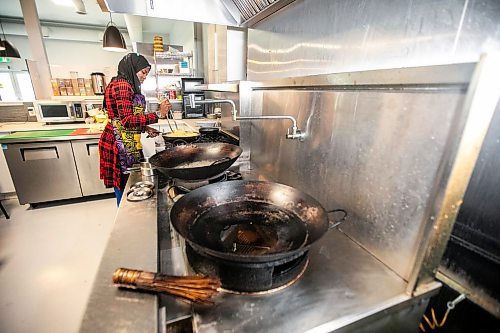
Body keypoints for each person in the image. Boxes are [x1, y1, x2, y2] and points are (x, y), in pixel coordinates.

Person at [99, 53, 171, 206]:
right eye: (143, 72)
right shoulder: (123, 85)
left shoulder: (123, 83)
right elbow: (126, 121)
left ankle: (124, 211)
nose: (145, 76)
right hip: (118, 145)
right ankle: (123, 217)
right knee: (124, 186)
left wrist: (144, 127)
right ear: (133, 68)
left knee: (127, 184)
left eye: (147, 73)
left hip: (125, 141)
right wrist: (159, 114)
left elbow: (124, 116)